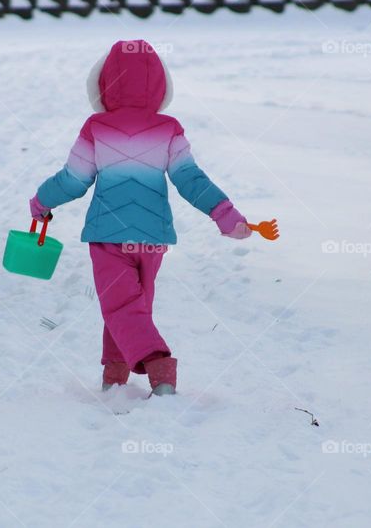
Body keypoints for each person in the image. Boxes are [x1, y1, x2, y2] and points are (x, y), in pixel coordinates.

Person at [30, 39, 251, 396]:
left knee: (120, 306)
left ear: (102, 84)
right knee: (130, 307)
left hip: (108, 235)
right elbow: (190, 179)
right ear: (161, 86)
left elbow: (74, 179)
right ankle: (114, 376)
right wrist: (226, 216)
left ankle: (160, 367)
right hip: (153, 237)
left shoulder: (97, 127)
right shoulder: (167, 128)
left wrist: (41, 201)